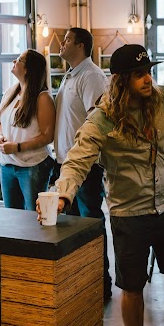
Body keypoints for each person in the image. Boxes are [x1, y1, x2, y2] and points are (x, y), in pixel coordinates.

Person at [41, 44, 164, 326]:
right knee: (132, 287)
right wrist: (63, 195)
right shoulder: (103, 117)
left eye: (148, 72)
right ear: (120, 80)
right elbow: (78, 158)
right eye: (138, 75)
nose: (148, 80)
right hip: (129, 213)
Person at [53, 28, 112, 297]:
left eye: (66, 39)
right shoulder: (71, 74)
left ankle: (100, 284)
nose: (61, 43)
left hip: (85, 166)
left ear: (80, 45)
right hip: (66, 164)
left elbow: (96, 121)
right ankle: (81, 282)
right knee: (72, 228)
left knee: (90, 225)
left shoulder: (91, 76)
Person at [0, 49, 55, 210]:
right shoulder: (10, 92)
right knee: (12, 216)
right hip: (7, 165)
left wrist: (17, 147)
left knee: (33, 216)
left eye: (19, 59)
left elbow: (47, 136)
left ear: (28, 69)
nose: (14, 61)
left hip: (32, 165)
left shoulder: (42, 98)